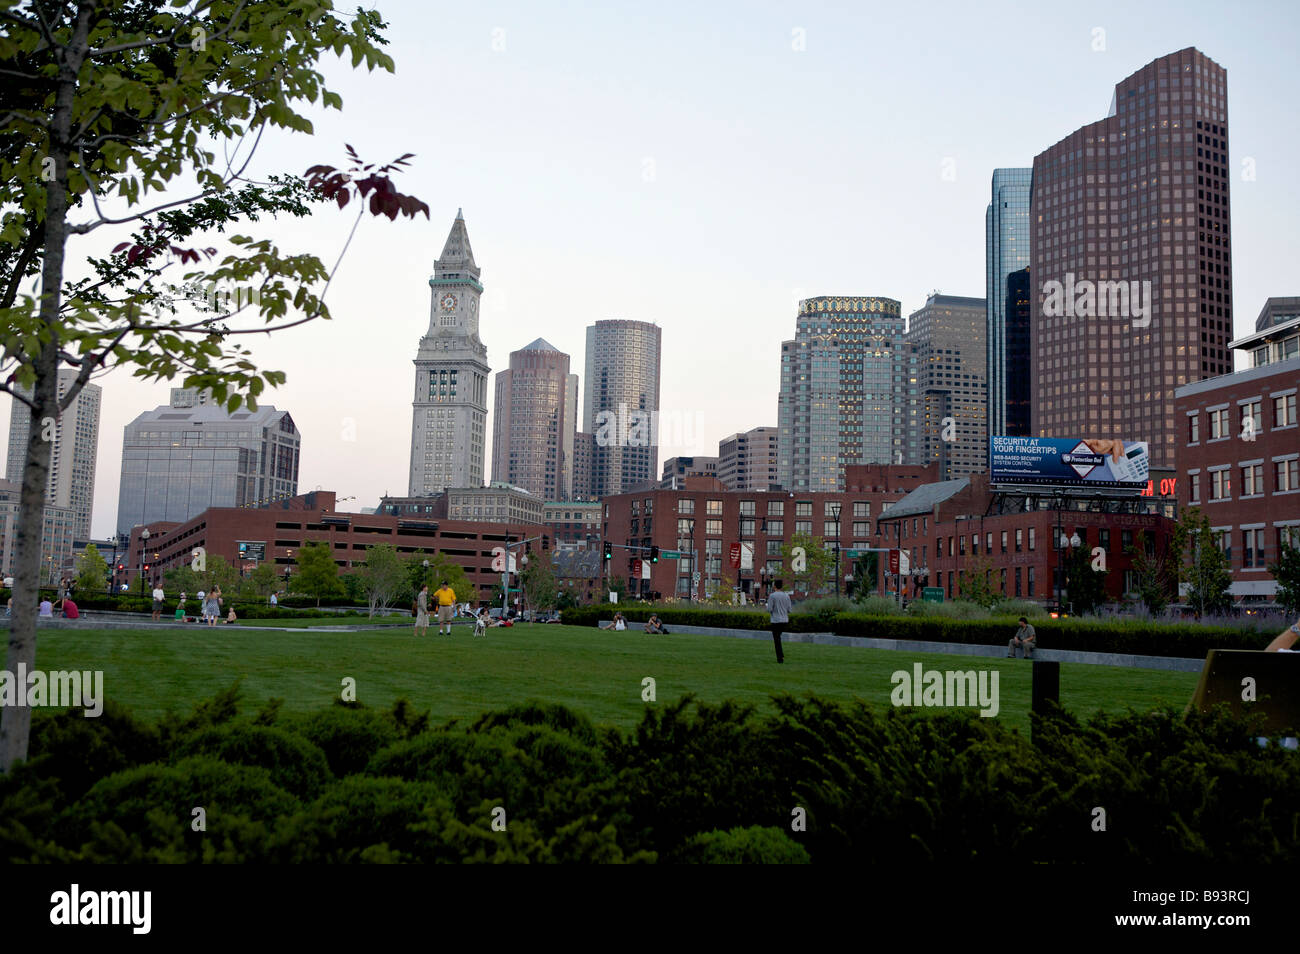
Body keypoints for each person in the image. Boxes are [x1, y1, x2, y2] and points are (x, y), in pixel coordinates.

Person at [766, 580, 792, 663]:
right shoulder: (787, 596)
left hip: (775, 620)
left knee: (777, 640)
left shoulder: (772, 596)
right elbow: (789, 609)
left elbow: (769, 609)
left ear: (774, 586)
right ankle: (781, 655)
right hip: (784, 620)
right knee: (778, 638)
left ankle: (780, 658)